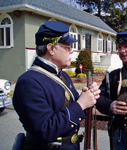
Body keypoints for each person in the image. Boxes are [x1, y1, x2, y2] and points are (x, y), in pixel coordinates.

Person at [12, 21, 100, 150]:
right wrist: (81, 104)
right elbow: (45, 129)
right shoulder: (28, 82)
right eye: (67, 47)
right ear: (51, 48)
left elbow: (74, 103)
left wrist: (87, 97)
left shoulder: (62, 75)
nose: (72, 51)